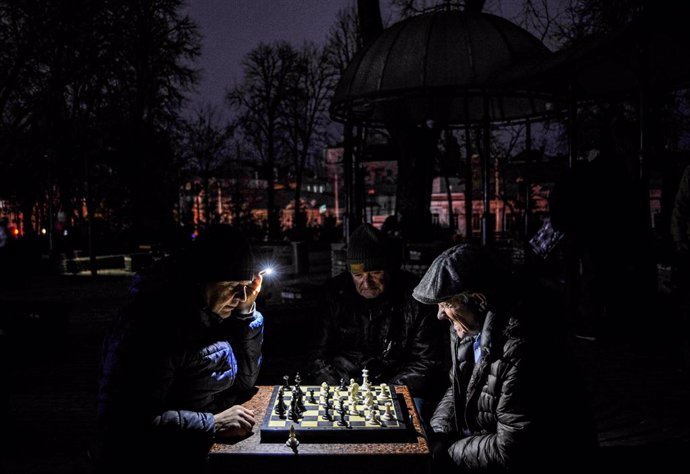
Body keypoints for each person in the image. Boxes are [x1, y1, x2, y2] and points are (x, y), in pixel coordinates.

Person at [412, 244, 596, 473]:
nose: (439, 314)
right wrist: (438, 434)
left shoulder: (523, 345)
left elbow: (513, 448)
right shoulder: (470, 325)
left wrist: (446, 451)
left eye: (447, 304)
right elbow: (457, 387)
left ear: (478, 300)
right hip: (485, 448)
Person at [96, 225, 264, 473]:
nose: (242, 296)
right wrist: (212, 424)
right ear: (202, 280)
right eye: (232, 285)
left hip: (199, 454)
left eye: (246, 285)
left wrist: (245, 316)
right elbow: (121, 426)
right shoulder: (151, 325)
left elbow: (244, 383)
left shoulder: (212, 312)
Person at [307, 223, 446, 417]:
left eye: (375, 273)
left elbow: (427, 361)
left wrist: (383, 393)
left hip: (400, 387)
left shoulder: (416, 297)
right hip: (345, 385)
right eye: (358, 275)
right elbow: (317, 356)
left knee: (416, 431)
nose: (366, 282)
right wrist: (338, 389)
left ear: (389, 268)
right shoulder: (333, 294)